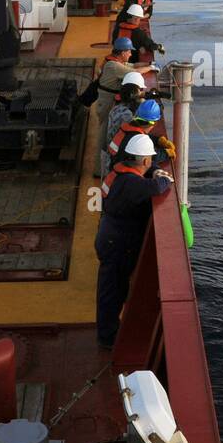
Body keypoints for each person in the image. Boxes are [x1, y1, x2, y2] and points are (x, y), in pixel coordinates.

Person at [95, 133, 173, 348]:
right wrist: (163, 176)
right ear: (146, 161)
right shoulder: (132, 184)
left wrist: (154, 171)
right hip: (116, 243)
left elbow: (145, 179)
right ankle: (107, 337)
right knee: (112, 292)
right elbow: (158, 187)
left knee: (112, 289)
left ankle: (109, 331)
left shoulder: (119, 172)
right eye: (150, 160)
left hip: (109, 235)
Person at [94, 38, 154, 174]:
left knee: (106, 134)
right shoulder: (113, 66)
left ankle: (102, 168)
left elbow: (133, 65)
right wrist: (150, 68)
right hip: (106, 101)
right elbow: (134, 72)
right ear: (122, 52)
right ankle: (99, 170)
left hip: (108, 100)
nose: (131, 54)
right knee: (103, 137)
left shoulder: (117, 62)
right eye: (129, 51)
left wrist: (149, 63)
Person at [107, 98, 175, 170]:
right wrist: (166, 153)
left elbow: (138, 135)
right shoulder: (138, 138)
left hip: (114, 165)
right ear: (155, 122)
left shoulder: (128, 126)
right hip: (122, 172)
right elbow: (149, 156)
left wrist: (158, 140)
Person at [101, 72, 146, 176]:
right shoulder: (127, 115)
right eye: (141, 90)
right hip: (117, 159)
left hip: (110, 154)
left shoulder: (115, 108)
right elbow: (137, 129)